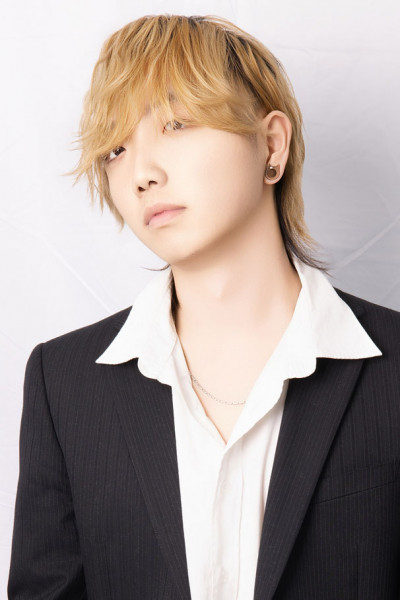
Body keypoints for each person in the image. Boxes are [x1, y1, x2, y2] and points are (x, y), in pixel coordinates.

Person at [7, 13, 400, 600]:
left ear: (271, 145)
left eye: (177, 122)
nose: (141, 173)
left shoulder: (391, 369)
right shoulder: (63, 384)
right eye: (115, 149)